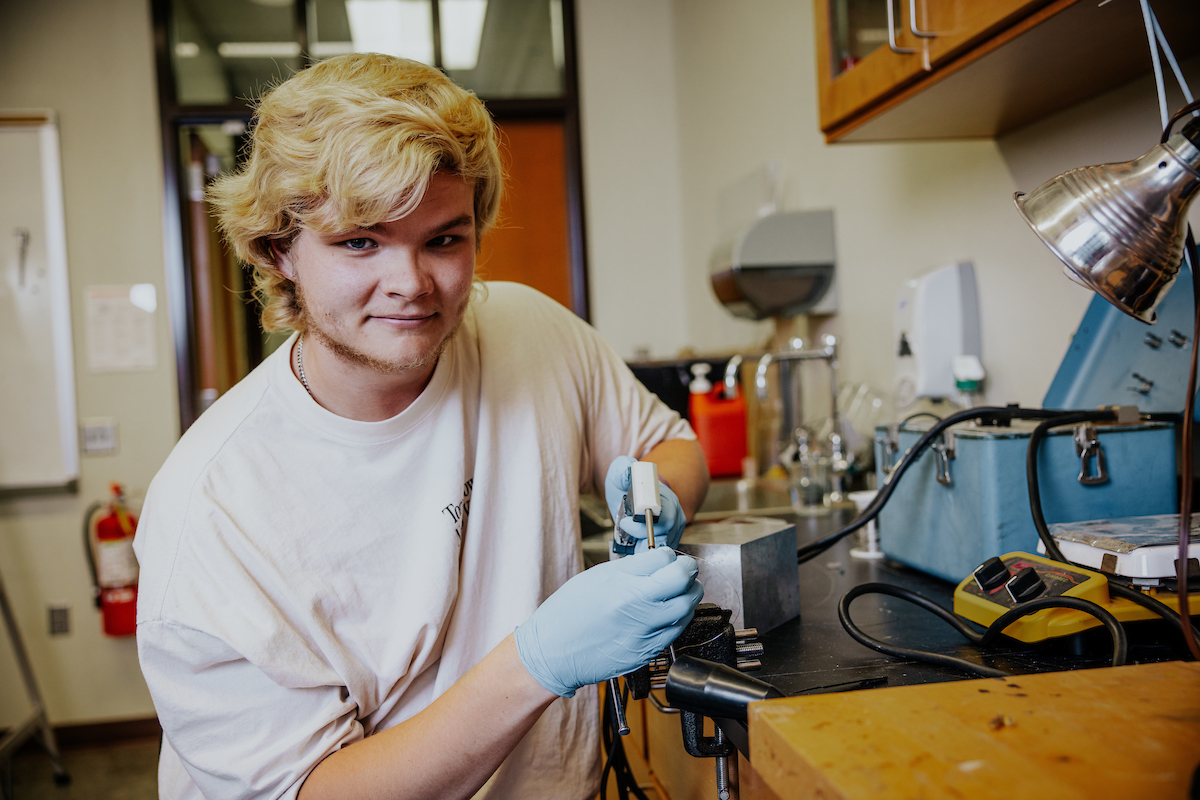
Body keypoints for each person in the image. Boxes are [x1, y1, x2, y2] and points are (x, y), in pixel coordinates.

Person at [133, 52, 709, 800]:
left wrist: (656, 498)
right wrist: (536, 662)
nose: (410, 284)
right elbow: (314, 791)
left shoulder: (532, 333)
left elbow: (671, 447)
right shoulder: (211, 513)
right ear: (281, 251)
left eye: (444, 239)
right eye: (360, 242)